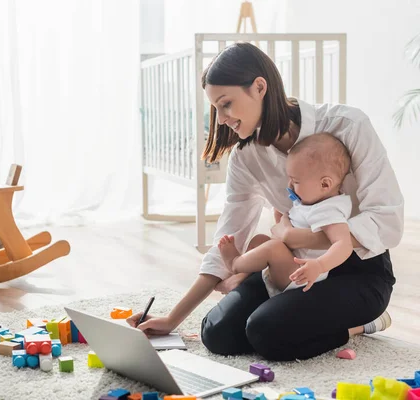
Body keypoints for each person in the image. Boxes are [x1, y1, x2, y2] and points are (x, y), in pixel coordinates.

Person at [127, 42, 403, 361]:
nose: (220, 120)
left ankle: (362, 324)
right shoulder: (247, 157)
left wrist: (292, 235)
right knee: (216, 334)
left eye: (226, 104)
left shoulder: (348, 125)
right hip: (289, 271)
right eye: (215, 108)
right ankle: (284, 311)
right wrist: (173, 319)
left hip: (360, 273)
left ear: (259, 87)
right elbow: (228, 238)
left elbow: (388, 221)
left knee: (267, 334)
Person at [219, 132, 354, 298]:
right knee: (260, 240)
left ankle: (234, 264)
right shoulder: (311, 200)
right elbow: (287, 225)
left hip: (300, 276)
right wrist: (281, 216)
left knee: (272, 248)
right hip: (287, 263)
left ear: (325, 184)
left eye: (296, 181)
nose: (290, 185)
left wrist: (319, 265)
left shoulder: (329, 210)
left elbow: (344, 244)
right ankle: (240, 277)